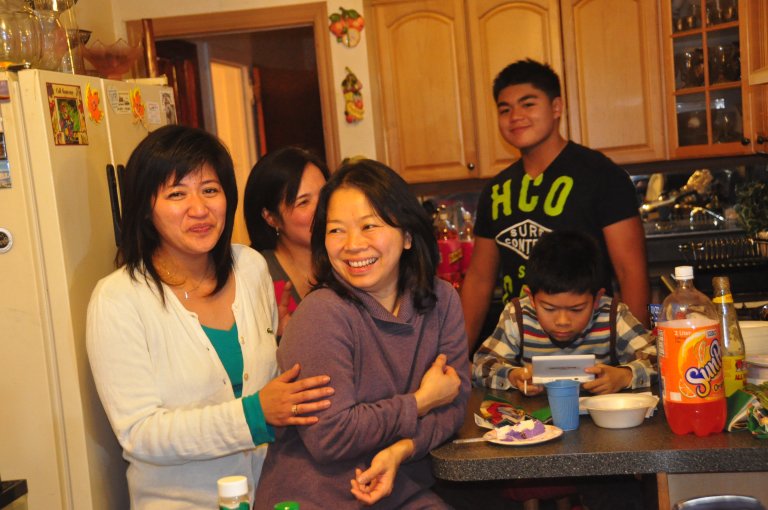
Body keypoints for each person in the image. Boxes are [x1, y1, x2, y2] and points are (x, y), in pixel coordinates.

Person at [86, 125, 334, 509]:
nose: (199, 209)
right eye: (177, 194)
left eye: (210, 190)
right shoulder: (118, 300)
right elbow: (139, 433)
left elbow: (269, 382)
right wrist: (253, 415)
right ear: (146, 208)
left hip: (273, 493)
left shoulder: (250, 267)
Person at [254, 159, 470, 509]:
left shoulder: (441, 300)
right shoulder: (321, 313)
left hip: (399, 489)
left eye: (369, 226)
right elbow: (331, 436)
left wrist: (403, 449)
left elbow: (455, 403)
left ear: (408, 235)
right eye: (336, 230)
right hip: (316, 497)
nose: (352, 245)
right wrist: (420, 402)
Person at [461, 59, 650, 355]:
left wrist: (636, 358)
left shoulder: (602, 175)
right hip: (520, 359)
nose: (515, 116)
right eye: (505, 109)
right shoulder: (495, 191)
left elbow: (631, 271)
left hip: (594, 356)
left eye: (528, 104)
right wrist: (456, 355)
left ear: (557, 107)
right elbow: (479, 280)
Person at [473, 230, 656, 396]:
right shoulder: (518, 317)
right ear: (531, 298)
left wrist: (624, 376)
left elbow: (660, 358)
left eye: (576, 309)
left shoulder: (612, 315)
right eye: (549, 309)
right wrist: (513, 376)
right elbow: (481, 365)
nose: (562, 321)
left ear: (597, 299)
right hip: (534, 419)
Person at [243, 147, 330, 331]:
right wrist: (276, 340)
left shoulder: (346, 259)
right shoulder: (255, 277)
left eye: (325, 195)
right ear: (270, 218)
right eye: (303, 202)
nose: (323, 209)